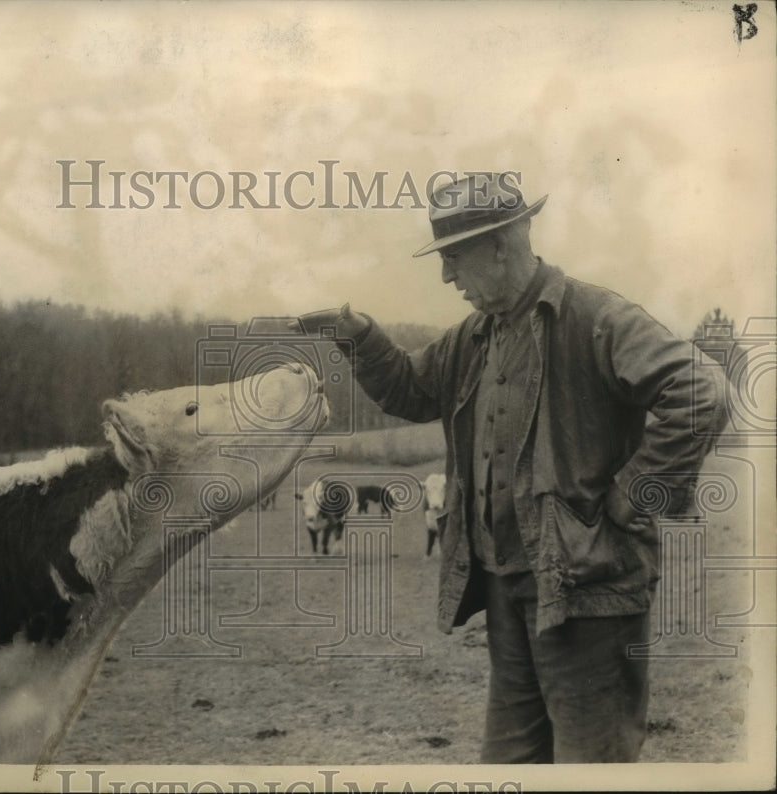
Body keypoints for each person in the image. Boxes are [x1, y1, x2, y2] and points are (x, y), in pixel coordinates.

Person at [295, 172, 728, 763]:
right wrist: (363, 339)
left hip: (588, 592)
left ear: (501, 244)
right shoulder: (472, 337)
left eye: (453, 258)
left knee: (591, 768)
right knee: (511, 767)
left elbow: (701, 392)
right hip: (504, 589)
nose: (447, 277)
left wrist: (637, 493)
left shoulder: (597, 318)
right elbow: (411, 391)